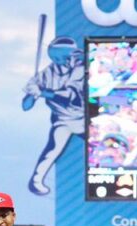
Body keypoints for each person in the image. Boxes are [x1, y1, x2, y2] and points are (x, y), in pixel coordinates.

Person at [23, 36, 85, 195]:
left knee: (103, 145)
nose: (73, 58)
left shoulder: (79, 68)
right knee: (52, 151)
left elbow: (70, 96)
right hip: (62, 120)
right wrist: (32, 92)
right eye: (69, 56)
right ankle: (36, 182)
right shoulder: (44, 75)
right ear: (57, 58)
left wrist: (43, 92)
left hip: (84, 118)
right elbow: (26, 106)